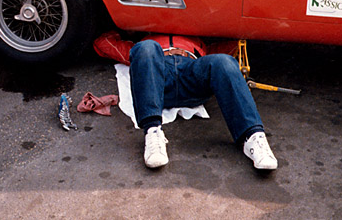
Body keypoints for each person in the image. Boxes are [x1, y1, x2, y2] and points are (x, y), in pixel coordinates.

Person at [93, 32, 278, 171]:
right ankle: (153, 133)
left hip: (192, 71)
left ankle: (253, 138)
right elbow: (103, 43)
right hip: (158, 78)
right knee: (146, 48)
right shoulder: (146, 43)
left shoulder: (197, 38)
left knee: (224, 61)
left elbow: (234, 43)